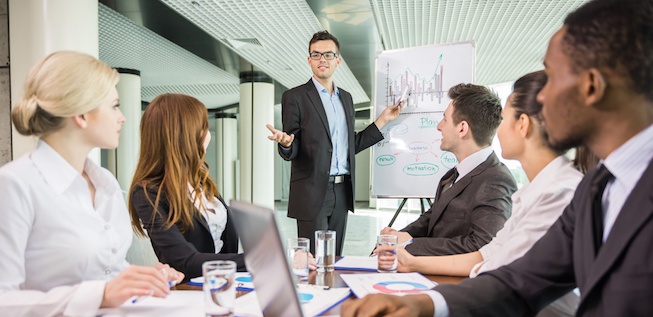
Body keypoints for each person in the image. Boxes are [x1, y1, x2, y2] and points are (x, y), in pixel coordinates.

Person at [342, 0, 653, 315]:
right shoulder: (596, 187)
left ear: (591, 86)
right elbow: (520, 279)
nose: (542, 98)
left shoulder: (566, 187)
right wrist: (425, 304)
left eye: (553, 76)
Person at [0, 51, 183, 316]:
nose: (122, 118)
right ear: (82, 115)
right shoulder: (15, 185)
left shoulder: (105, 183)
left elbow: (106, 271)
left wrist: (140, 278)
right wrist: (100, 295)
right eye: (114, 106)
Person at [391, 70, 584, 317]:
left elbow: (507, 280)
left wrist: (426, 303)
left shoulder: (559, 192)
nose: (496, 129)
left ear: (522, 124)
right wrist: (413, 261)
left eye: (503, 119)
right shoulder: (535, 189)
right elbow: (489, 254)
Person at [266, 30, 402, 255]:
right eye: (316, 55)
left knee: (334, 258)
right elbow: (293, 146)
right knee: (313, 260)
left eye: (328, 55)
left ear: (338, 61)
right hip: (312, 190)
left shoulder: (346, 99)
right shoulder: (295, 97)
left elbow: (351, 145)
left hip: (342, 190)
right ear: (309, 60)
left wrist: (383, 120)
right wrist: (287, 144)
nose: (322, 60)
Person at [380, 83, 517, 256]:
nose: (439, 126)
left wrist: (409, 245)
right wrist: (399, 237)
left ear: (462, 129)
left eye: (445, 119)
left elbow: (483, 246)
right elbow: (433, 216)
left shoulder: (495, 180)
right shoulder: (452, 174)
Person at [129, 93, 246, 280]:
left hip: (225, 284)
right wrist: (258, 260)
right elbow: (186, 262)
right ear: (185, 134)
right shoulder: (147, 193)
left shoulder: (200, 180)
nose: (207, 134)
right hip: (190, 291)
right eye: (203, 126)